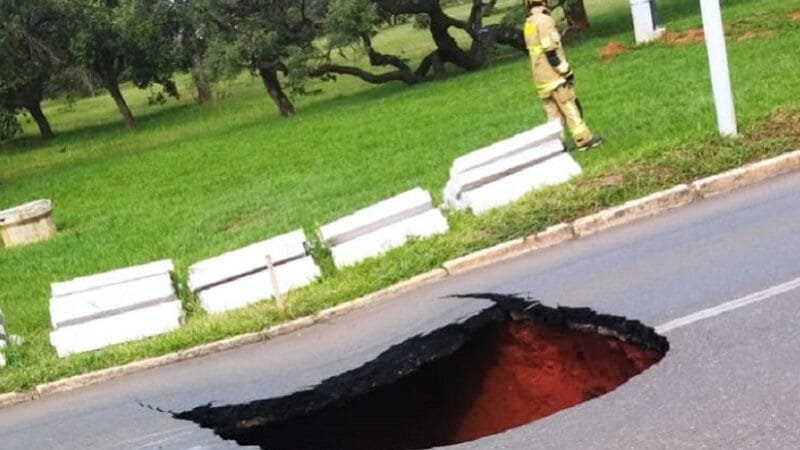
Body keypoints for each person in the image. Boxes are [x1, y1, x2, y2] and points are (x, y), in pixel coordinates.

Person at [523, 0, 603, 150]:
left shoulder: (529, 22)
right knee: (569, 107)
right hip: (553, 75)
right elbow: (551, 52)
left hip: (539, 77)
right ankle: (584, 140)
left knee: (553, 114)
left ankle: (555, 146)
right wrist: (566, 71)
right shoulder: (544, 20)